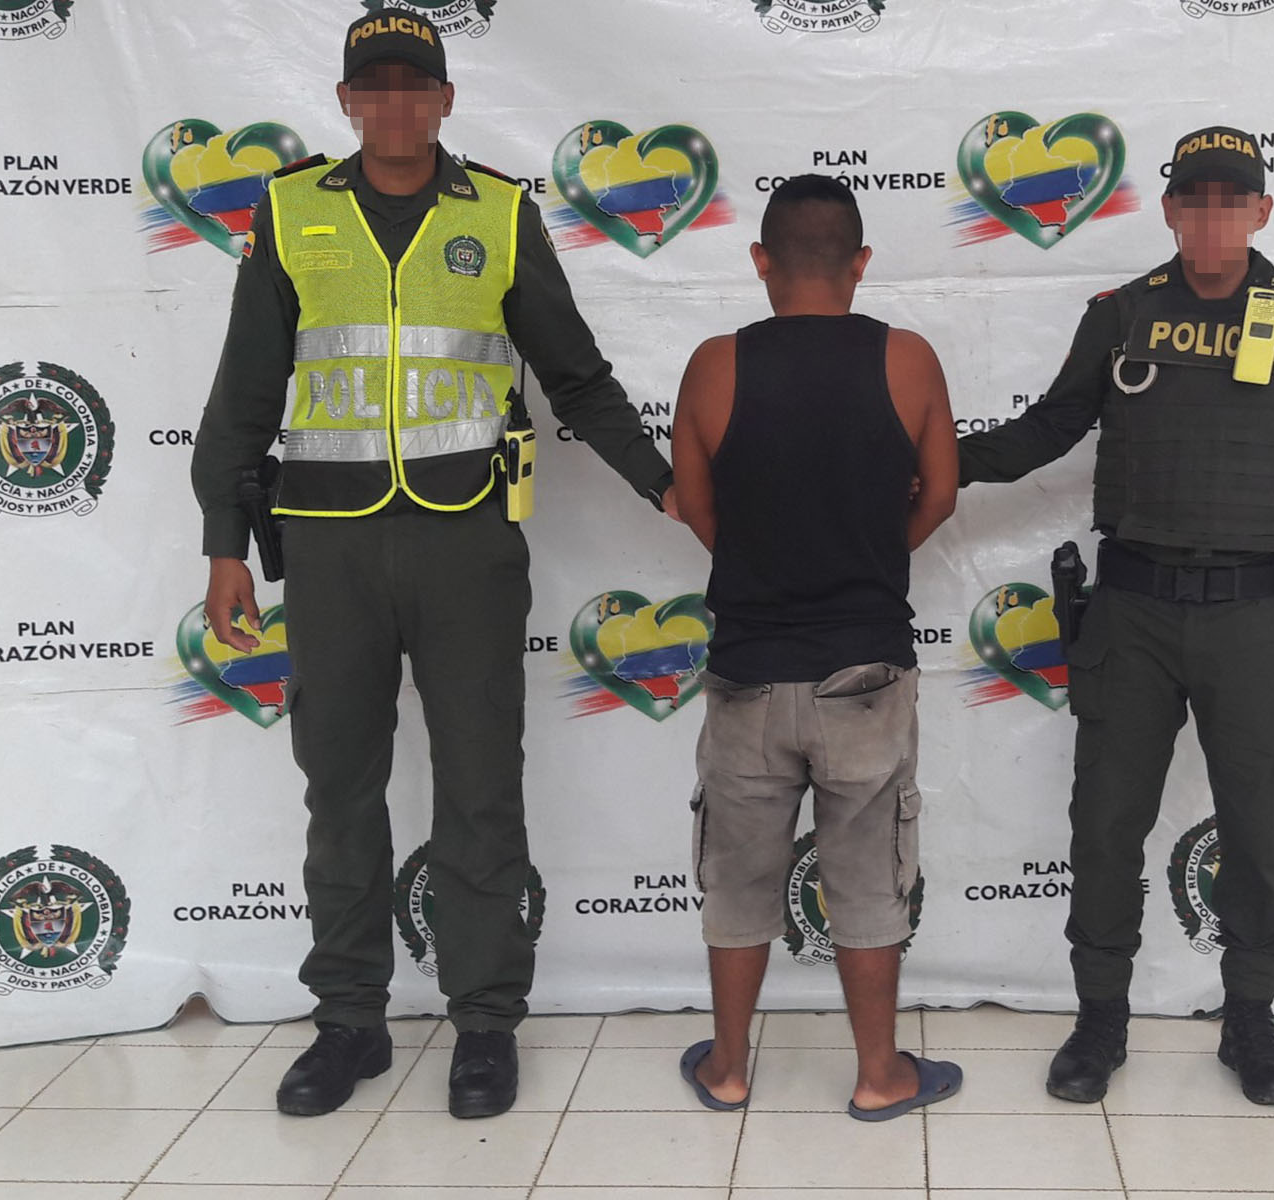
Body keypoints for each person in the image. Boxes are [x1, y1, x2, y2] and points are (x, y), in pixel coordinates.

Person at [190, 7, 676, 1119]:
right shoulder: (290, 209)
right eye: (376, 86)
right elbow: (244, 394)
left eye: (417, 85)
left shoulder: (499, 213)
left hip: (467, 544)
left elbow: (578, 377)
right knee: (340, 789)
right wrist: (224, 546)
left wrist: (664, 483)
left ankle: (485, 1023)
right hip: (327, 547)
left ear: (447, 101)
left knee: (480, 788)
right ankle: (349, 1021)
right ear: (347, 101)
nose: (397, 104)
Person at [956, 127, 1274, 1106]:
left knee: (1262, 828)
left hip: (1255, 614)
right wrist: (940, 458)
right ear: (1171, 210)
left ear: (1262, 211)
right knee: (1106, 823)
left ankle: (1251, 1021)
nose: (1214, 217)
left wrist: (1250, 527)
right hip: (1133, 611)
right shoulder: (1122, 316)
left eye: (1233, 200)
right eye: (1196, 199)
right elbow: (1050, 426)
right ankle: (1100, 1022)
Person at [668, 174, 963, 1121]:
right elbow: (940, 497)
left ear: (761, 260)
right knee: (869, 883)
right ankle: (880, 1077)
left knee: (739, 882)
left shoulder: (713, 366)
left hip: (748, 674)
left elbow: (698, 510)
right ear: (861, 263)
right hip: (865, 673)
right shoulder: (908, 359)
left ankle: (727, 1069)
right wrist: (869, 559)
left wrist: (764, 567)